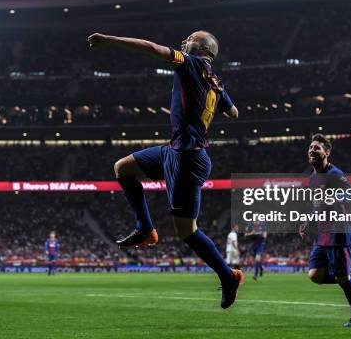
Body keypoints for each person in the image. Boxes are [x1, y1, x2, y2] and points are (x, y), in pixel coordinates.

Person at [88, 31, 243, 308]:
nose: (184, 40)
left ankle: (228, 277)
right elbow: (234, 113)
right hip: (175, 150)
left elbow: (152, 47)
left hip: (187, 159)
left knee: (187, 231)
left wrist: (110, 40)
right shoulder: (215, 80)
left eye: (191, 38)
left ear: (203, 47)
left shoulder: (191, 63)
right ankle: (144, 227)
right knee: (123, 167)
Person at [299, 134, 351, 327]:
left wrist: (332, 198)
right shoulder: (313, 178)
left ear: (326, 153)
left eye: (317, 148)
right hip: (321, 235)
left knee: (341, 277)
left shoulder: (335, 174)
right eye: (310, 147)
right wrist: (307, 221)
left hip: (338, 234)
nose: (312, 150)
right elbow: (316, 206)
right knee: (315, 275)